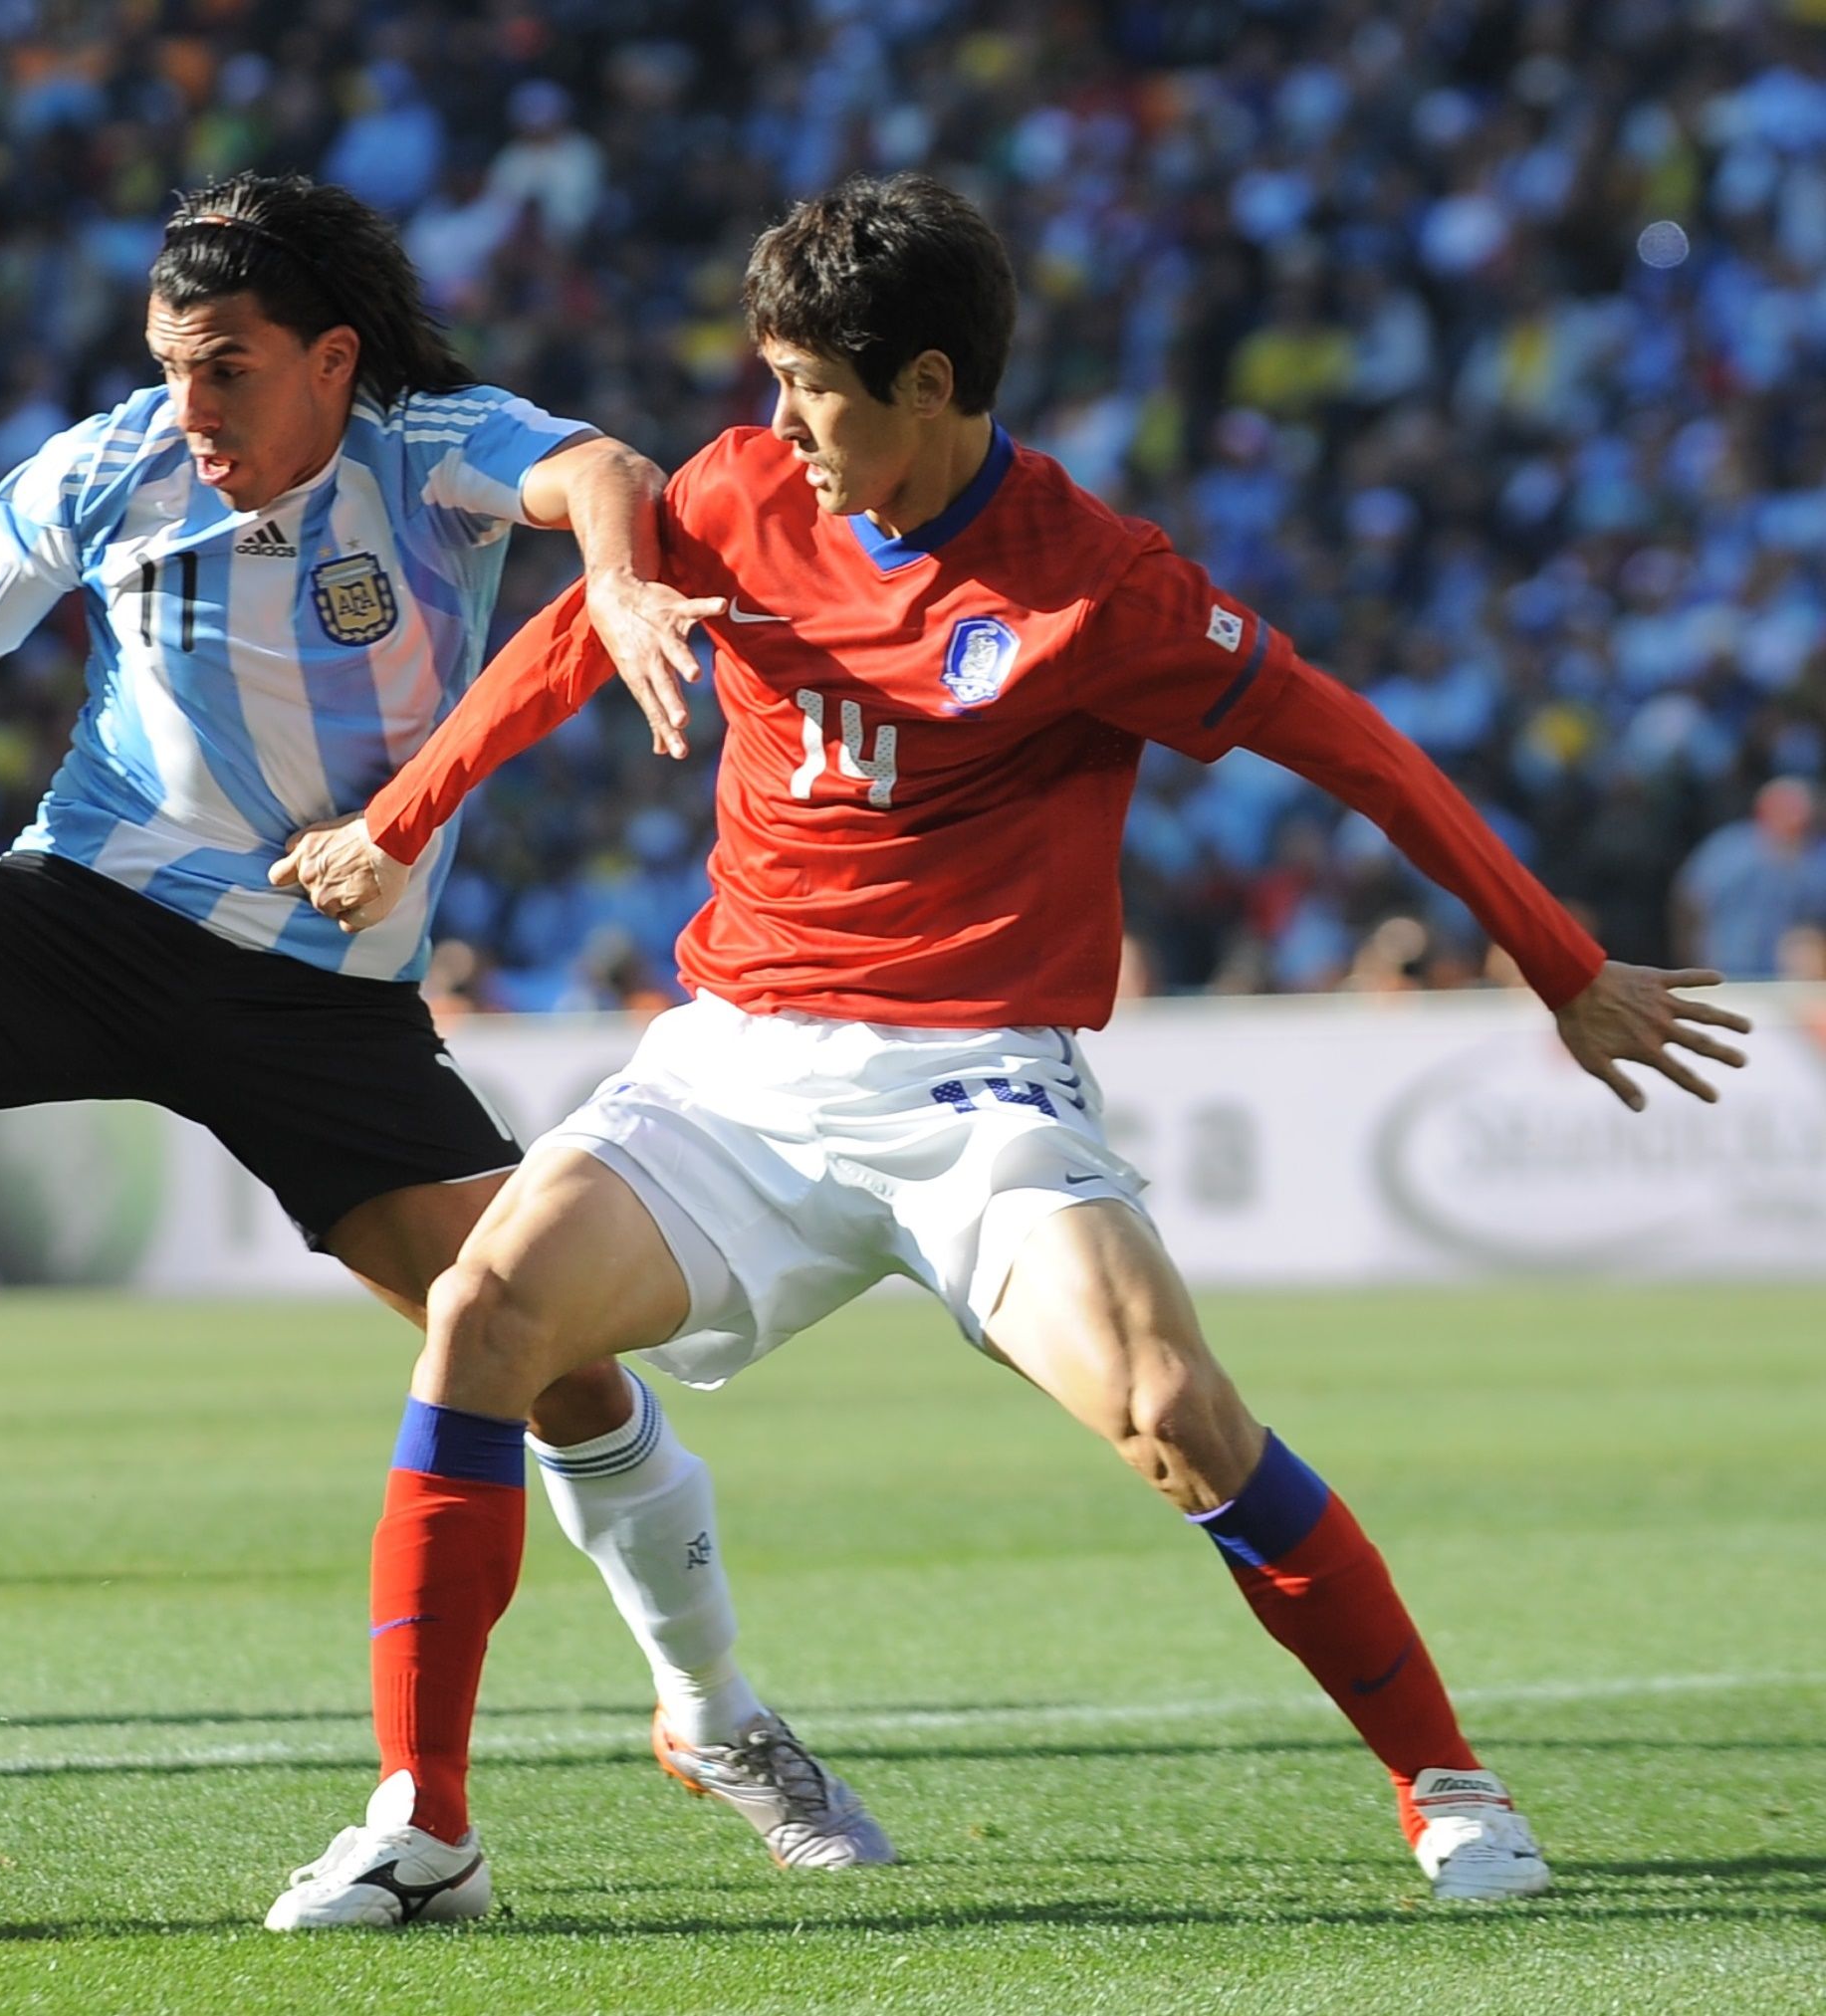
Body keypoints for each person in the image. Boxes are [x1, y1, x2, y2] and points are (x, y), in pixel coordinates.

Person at [269, 171, 1753, 1916]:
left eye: (813, 387)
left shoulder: (1097, 586)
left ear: (931, 386)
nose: (779, 424)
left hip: (974, 1085)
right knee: (482, 1311)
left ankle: (1446, 1784)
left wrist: (1561, 963)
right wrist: (399, 819)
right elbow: (567, 644)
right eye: (769, 380)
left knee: (1170, 1410)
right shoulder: (737, 494)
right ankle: (426, 1827)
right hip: (736, 1064)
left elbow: (1356, 747)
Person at [0, 170, 889, 1903]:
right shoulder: (106, 463)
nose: (191, 411)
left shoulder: (429, 450)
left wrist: (627, 587)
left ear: (333, 359)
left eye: (229, 370)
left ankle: (714, 1713)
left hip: (315, 990)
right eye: (172, 368)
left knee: (549, 1360)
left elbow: (603, 476)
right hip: (91, 917)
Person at [1671, 776, 1826, 980]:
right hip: (1724, 975)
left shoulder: (1817, 858)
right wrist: (1691, 960)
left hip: (1789, 985)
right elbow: (1687, 905)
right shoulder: (1728, 849)